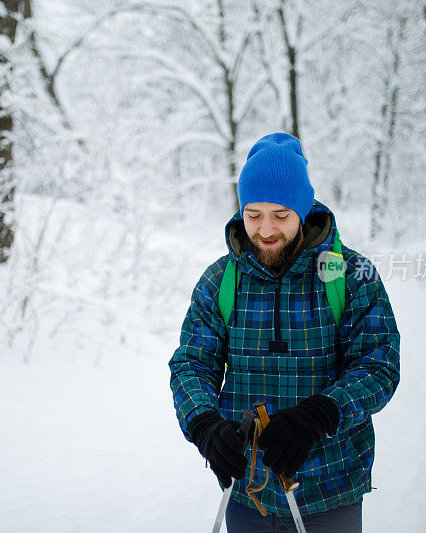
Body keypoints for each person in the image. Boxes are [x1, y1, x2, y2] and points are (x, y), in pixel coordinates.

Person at [169, 133, 400, 532]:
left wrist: (321, 413)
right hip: (246, 493)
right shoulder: (220, 280)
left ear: (303, 210)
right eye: (253, 213)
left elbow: (379, 364)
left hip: (331, 489)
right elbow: (192, 363)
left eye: (280, 214)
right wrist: (203, 423)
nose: (265, 229)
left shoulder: (349, 275)